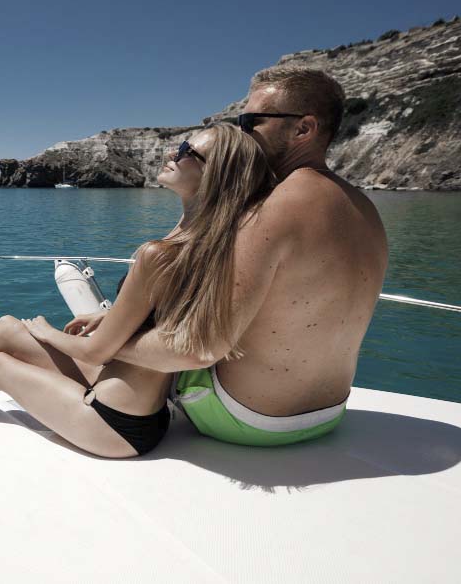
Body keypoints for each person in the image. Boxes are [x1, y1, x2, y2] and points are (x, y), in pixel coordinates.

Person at [0, 123, 276, 457]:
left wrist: (46, 330)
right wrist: (105, 315)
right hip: (144, 408)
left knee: (0, 364)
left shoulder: (158, 253)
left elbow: (97, 351)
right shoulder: (202, 240)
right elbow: (165, 311)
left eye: (186, 152)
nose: (170, 154)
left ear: (216, 175)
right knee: (6, 327)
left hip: (113, 423)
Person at [112, 66, 389, 446]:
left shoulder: (275, 209)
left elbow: (199, 350)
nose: (241, 131)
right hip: (328, 415)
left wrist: (109, 345)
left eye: (250, 121)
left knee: (133, 332)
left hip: (245, 419)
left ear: (303, 129)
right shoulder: (365, 208)